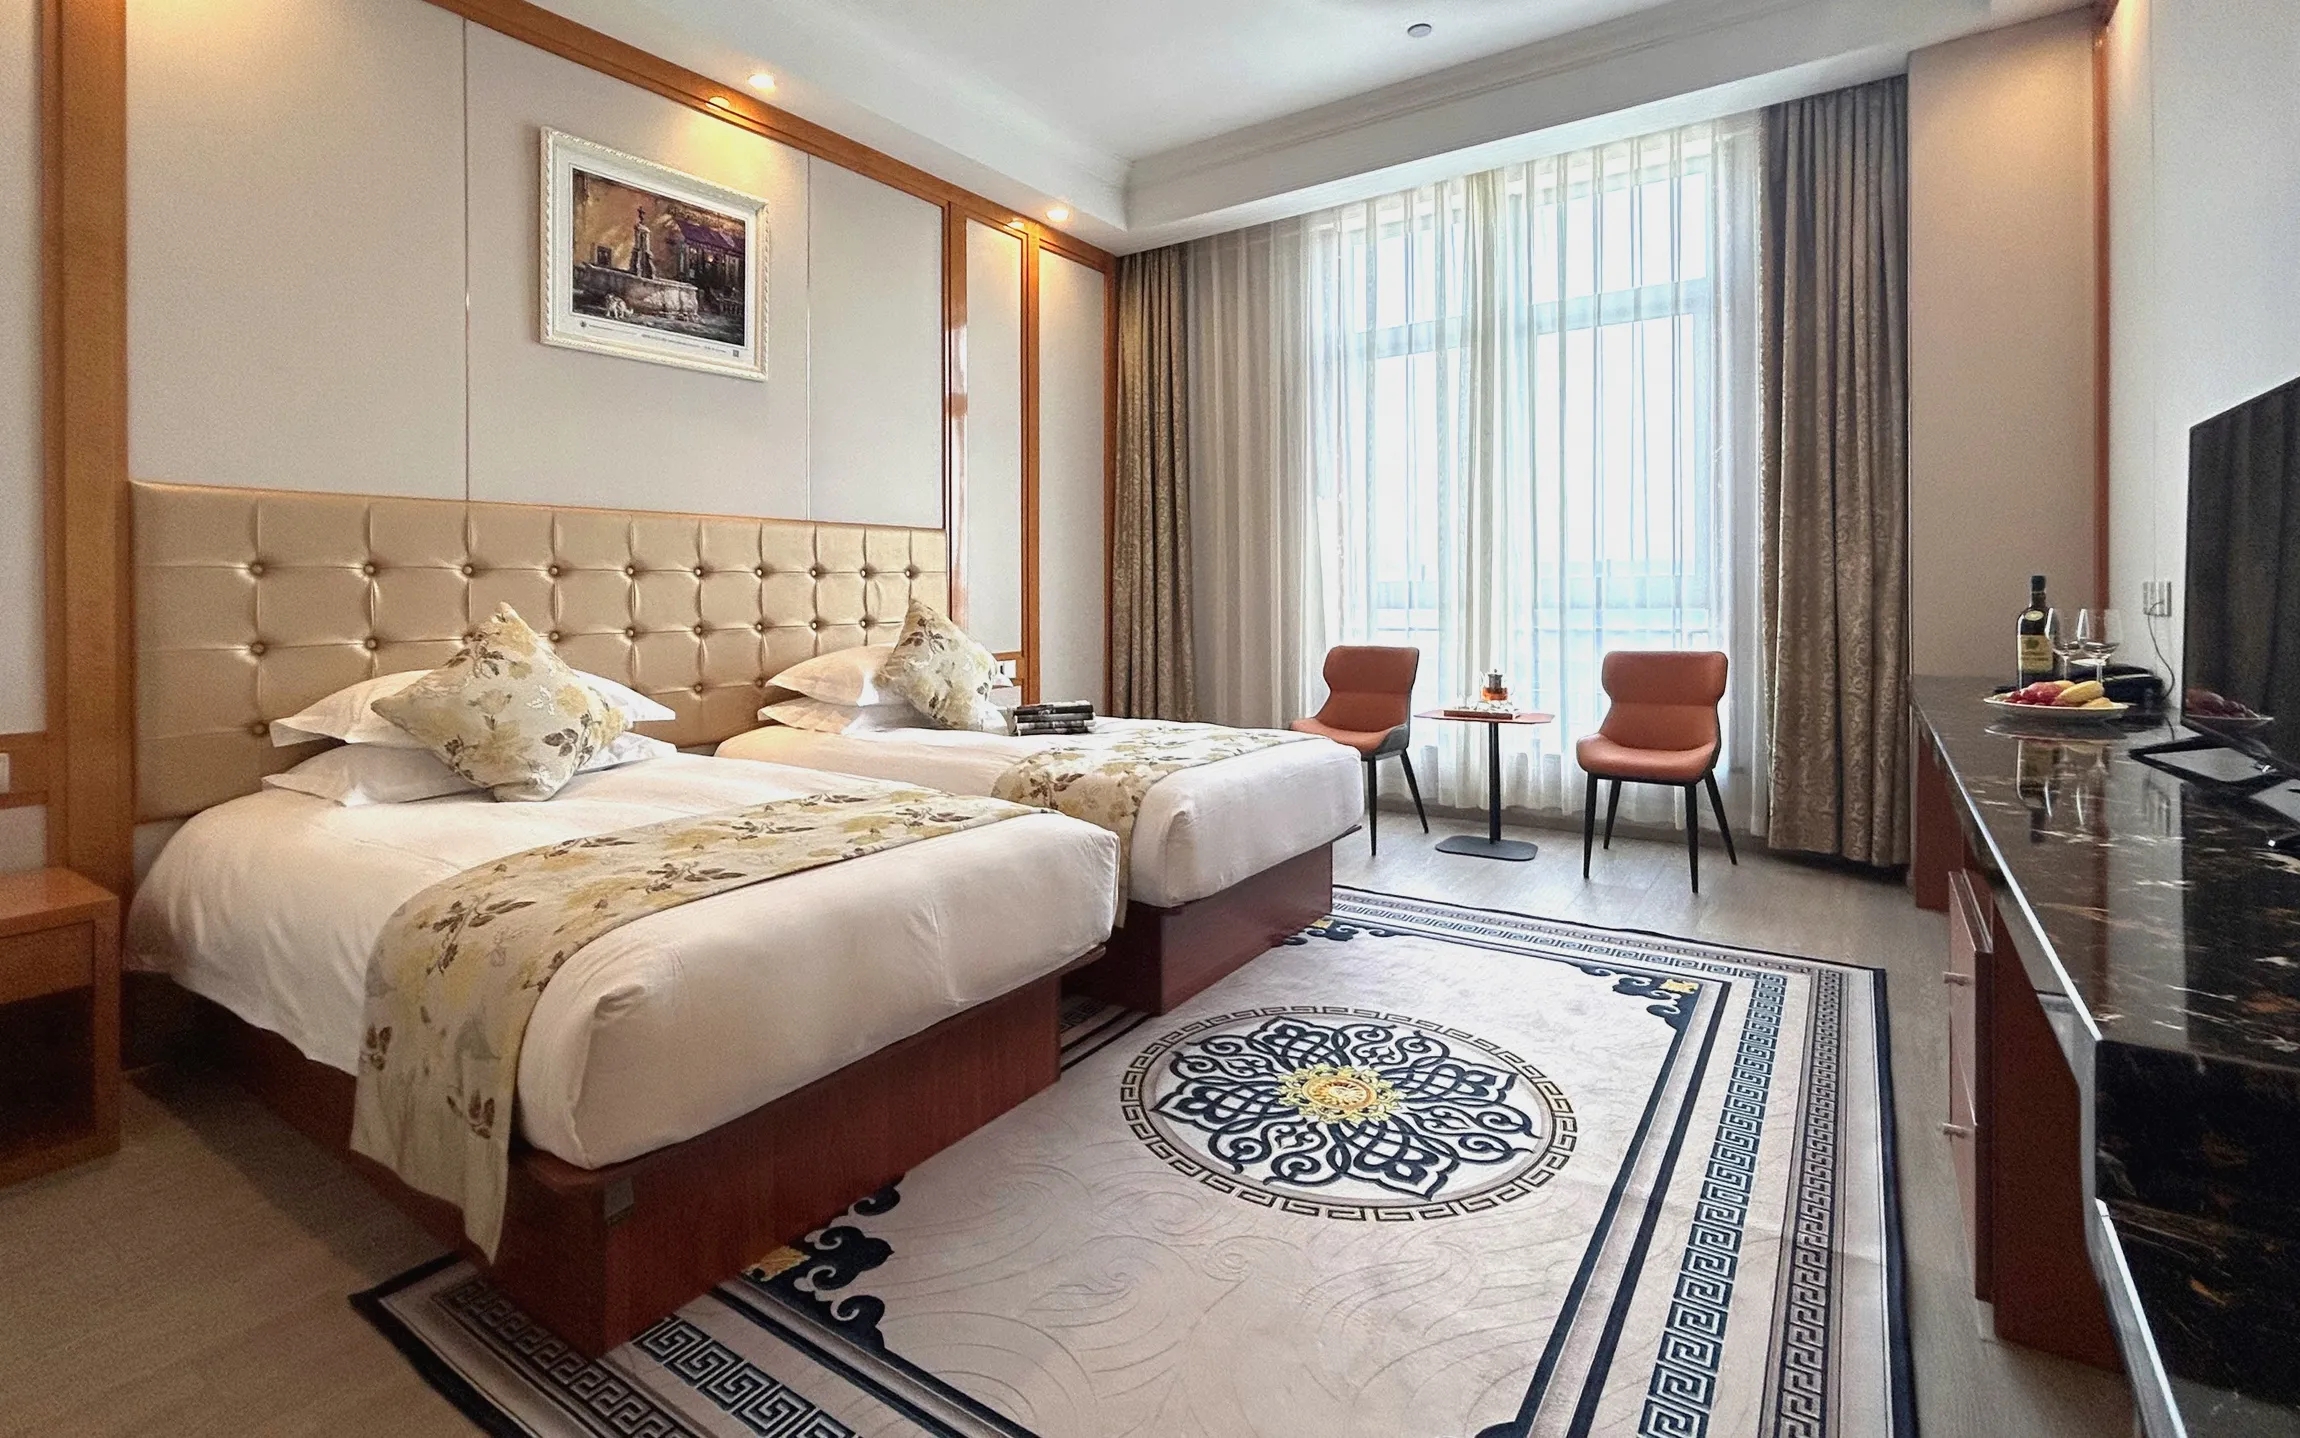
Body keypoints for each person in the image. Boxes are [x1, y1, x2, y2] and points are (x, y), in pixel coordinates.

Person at [630, 208, 655, 280]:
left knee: (644, 253)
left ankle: (644, 272)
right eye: (641, 214)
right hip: (639, 248)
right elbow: (637, 244)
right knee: (638, 251)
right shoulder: (638, 227)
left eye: (643, 214)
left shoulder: (644, 229)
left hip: (644, 249)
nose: (642, 217)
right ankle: (638, 270)